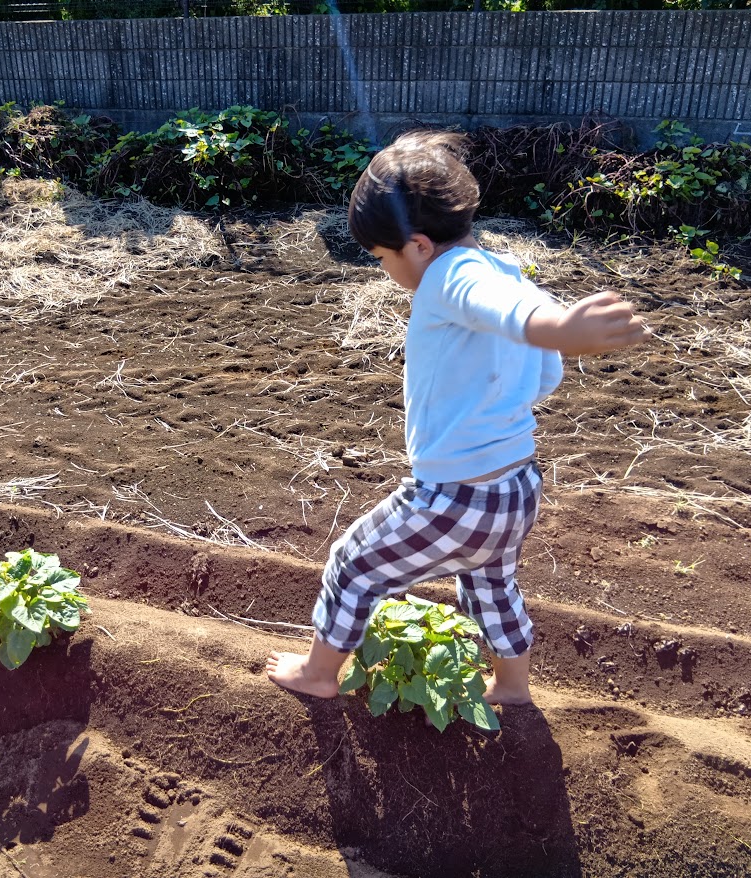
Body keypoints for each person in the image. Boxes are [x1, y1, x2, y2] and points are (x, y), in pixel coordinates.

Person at [266, 129, 648, 706]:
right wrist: (553, 333)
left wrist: (565, 332)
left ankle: (319, 675)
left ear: (417, 245)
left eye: (381, 257)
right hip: (516, 486)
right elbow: (539, 363)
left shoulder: (450, 277)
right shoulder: (502, 268)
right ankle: (513, 686)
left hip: (455, 496)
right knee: (492, 585)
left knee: (354, 563)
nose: (386, 268)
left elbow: (509, 313)